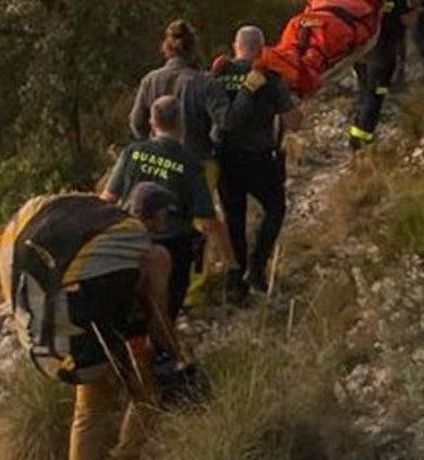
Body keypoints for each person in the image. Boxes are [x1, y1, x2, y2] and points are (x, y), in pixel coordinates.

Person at [0, 183, 186, 460]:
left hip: (72, 333)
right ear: (153, 217)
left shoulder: (101, 228)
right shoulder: (144, 248)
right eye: (163, 216)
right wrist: (176, 354)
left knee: (90, 406)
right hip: (99, 332)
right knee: (147, 393)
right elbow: (156, 311)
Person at [128, 20, 234, 306]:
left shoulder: (150, 81)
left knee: (160, 221)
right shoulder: (204, 82)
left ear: (166, 47)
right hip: (198, 159)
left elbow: (136, 123)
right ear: (193, 48)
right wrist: (212, 141)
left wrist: (151, 141)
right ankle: (190, 290)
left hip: (155, 158)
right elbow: (226, 120)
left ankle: (153, 283)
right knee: (198, 224)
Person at [104, 95, 239, 316]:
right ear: (180, 123)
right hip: (174, 245)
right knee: (167, 308)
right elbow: (207, 221)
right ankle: (163, 343)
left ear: (152, 122)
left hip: (132, 241)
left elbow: (108, 198)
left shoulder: (132, 152)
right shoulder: (190, 163)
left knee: (133, 308)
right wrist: (231, 262)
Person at [212, 26, 303, 301]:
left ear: (235, 45)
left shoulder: (217, 76)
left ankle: (234, 282)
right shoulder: (270, 78)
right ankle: (257, 267)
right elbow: (293, 123)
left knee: (233, 219)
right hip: (259, 158)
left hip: (224, 158)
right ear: (262, 48)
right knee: (275, 208)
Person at [348, 0, 414, 150]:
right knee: (375, 96)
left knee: (364, 92)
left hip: (359, 53)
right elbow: (407, 19)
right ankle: (362, 141)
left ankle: (356, 133)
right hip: (383, 54)